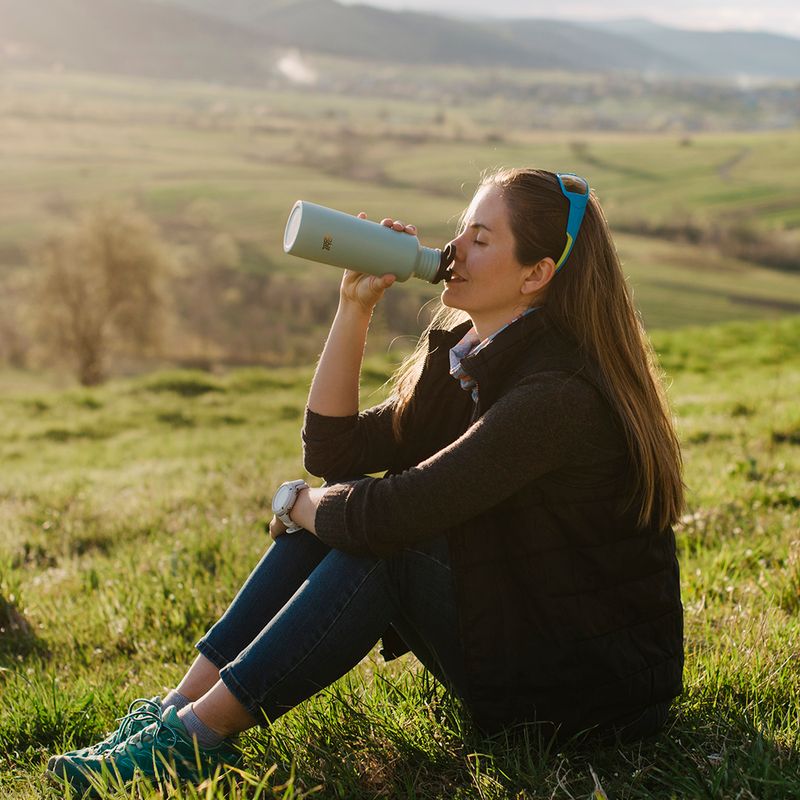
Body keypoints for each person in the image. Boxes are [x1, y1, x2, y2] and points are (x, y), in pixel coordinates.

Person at [47, 168, 684, 792]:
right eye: (463, 230)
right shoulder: (475, 359)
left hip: (592, 696)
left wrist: (298, 503)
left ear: (536, 274)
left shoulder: (555, 395)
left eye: (482, 239)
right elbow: (336, 449)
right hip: (527, 623)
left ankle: (189, 744)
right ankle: (173, 714)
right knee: (339, 514)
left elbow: (385, 516)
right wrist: (354, 308)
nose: (454, 248)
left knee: (384, 542)